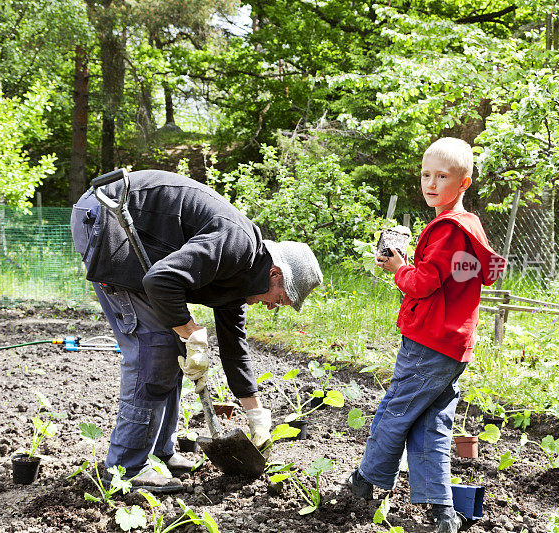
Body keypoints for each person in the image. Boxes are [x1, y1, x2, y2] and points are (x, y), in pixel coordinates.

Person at [70, 169, 323, 493]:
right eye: (282, 299)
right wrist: (192, 332)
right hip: (109, 217)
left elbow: (235, 350)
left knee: (174, 349)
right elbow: (160, 281)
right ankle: (127, 469)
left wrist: (256, 414)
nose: (274, 307)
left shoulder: (242, 280)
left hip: (135, 233)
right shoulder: (237, 245)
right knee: (156, 349)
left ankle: (161, 452)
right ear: (275, 274)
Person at [346, 138, 505, 533]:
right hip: (454, 345)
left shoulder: (447, 229)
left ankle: (365, 482)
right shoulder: (469, 228)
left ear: (464, 183)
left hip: (428, 342)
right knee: (431, 424)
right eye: (425, 175)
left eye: (442, 176)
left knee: (393, 412)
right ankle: (442, 511)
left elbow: (423, 284)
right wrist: (415, 264)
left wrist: (399, 268)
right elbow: (460, 278)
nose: (431, 183)